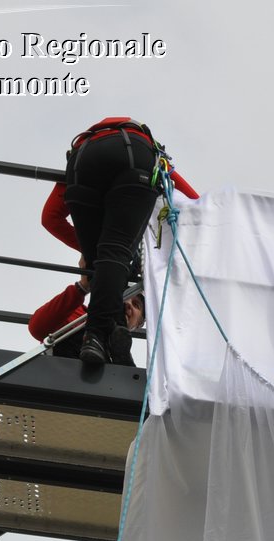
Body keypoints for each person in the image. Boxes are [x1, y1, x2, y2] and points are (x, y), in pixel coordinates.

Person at [42, 116, 197, 367]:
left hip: (84, 158)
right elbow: (192, 199)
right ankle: (100, 339)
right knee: (114, 255)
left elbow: (50, 218)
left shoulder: (86, 149)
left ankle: (101, 339)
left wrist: (89, 248)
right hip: (137, 153)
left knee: (101, 262)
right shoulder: (147, 151)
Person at [28, 259, 146, 364]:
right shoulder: (79, 315)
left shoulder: (124, 360)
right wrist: (82, 287)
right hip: (62, 375)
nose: (127, 303)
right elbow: (38, 328)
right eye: (122, 296)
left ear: (139, 324)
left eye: (136, 304)